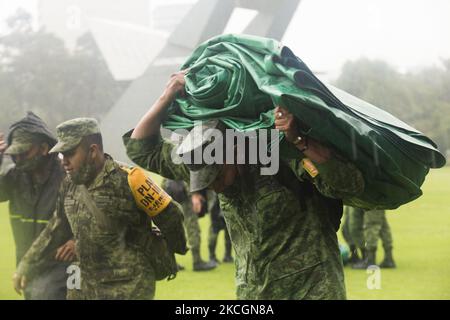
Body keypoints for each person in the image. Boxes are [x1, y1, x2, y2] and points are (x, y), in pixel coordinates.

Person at [123, 71, 365, 300]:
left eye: (216, 175)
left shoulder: (283, 159)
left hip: (311, 290)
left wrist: (300, 141)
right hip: (252, 294)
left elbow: (349, 183)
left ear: (233, 149)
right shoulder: (201, 159)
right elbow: (141, 148)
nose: (213, 186)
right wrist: (168, 94)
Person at [15, 118, 187, 299]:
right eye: (62, 155)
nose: (64, 161)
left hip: (129, 285)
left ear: (92, 151)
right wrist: (26, 265)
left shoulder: (130, 179)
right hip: (83, 285)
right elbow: (56, 227)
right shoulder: (69, 184)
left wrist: (174, 248)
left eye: (70, 154)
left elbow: (171, 213)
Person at [0, 112, 74, 300]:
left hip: (63, 267)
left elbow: (98, 217)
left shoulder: (68, 178)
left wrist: (78, 242)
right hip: (28, 266)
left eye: (24, 153)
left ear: (43, 148)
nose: (18, 160)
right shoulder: (15, 177)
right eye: (14, 155)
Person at [161, 179, 216, 271]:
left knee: (172, 229)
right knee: (193, 229)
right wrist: (194, 194)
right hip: (183, 195)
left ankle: (171, 263)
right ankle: (197, 261)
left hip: (168, 192)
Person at [206, 191, 233, 264]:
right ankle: (212, 257)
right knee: (214, 233)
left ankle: (227, 256)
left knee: (229, 234)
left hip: (226, 208)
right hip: (216, 210)